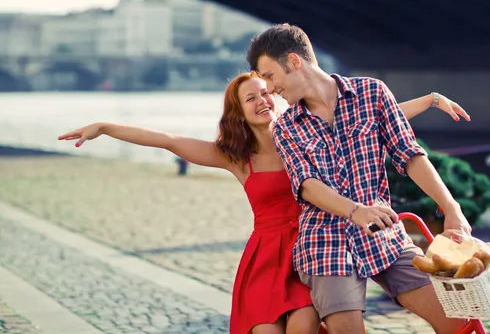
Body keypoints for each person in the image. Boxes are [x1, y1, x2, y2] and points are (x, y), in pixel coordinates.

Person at [57, 72, 469, 334]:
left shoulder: (304, 134)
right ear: (237, 111)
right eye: (249, 98)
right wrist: (106, 127)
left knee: (306, 325)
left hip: (317, 247)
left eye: (264, 92)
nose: (261, 101)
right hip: (270, 258)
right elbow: (168, 141)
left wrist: (430, 100)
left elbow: (379, 114)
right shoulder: (236, 157)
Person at [247, 23, 472, 334]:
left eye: (270, 77)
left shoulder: (373, 93)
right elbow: (307, 185)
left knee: (457, 322)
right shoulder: (286, 128)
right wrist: (356, 211)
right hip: (325, 245)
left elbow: (410, 154)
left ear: (295, 62)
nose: (270, 90)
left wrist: (451, 208)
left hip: (384, 236)